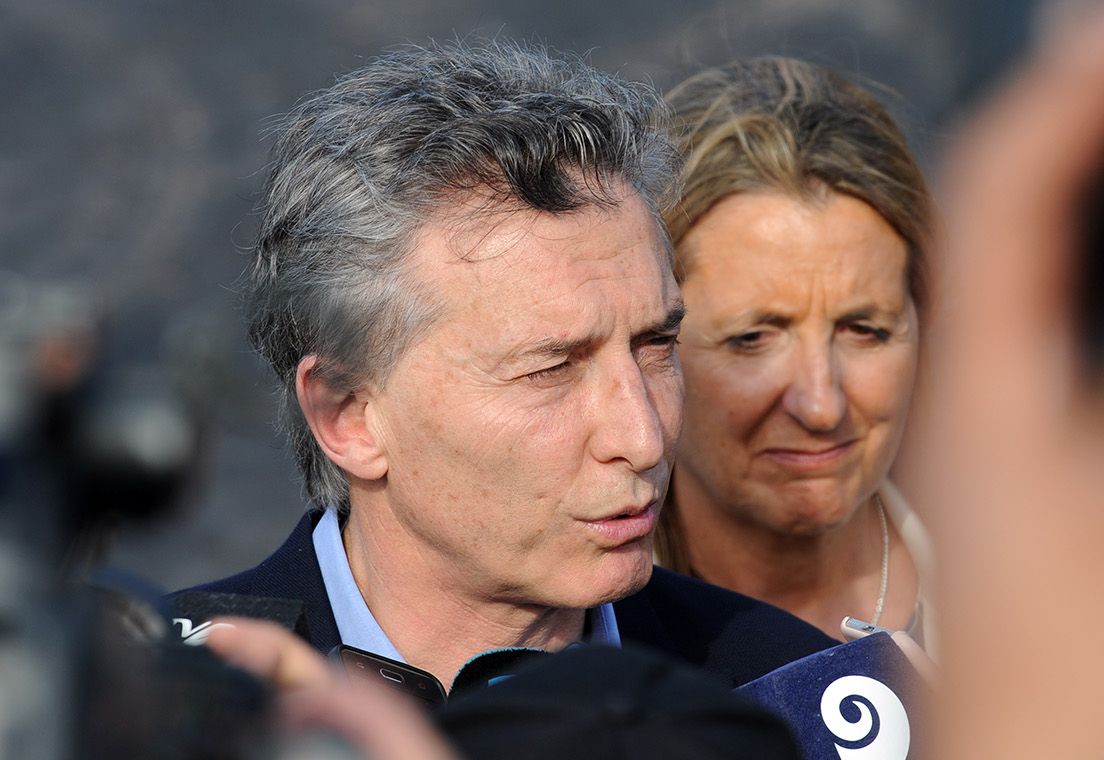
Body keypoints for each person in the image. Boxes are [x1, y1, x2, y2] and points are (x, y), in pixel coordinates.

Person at [167, 41, 835, 695]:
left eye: (655, 345)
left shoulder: (797, 700)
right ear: (348, 415)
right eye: (552, 369)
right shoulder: (148, 711)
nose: (643, 438)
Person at [652, 56, 936, 645]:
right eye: (752, 339)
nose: (821, 406)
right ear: (652, 343)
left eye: (864, 330)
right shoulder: (566, 635)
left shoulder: (1044, 584)